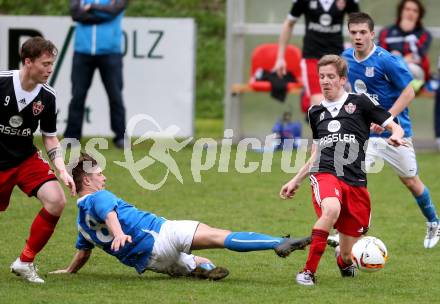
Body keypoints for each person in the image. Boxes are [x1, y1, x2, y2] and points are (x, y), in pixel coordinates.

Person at [50, 153, 311, 280]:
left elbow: (83, 252)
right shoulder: (98, 197)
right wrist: (118, 233)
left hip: (152, 261)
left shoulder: (82, 223)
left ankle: (202, 269)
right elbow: (108, 211)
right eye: (99, 174)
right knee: (221, 237)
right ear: (86, 179)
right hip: (160, 233)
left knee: (199, 260)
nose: (104, 177)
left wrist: (68, 271)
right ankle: (276, 242)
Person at [280, 54, 405, 286]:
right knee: (331, 210)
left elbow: (393, 126)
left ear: (342, 79)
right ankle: (307, 272)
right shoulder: (315, 112)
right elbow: (316, 152)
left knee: (348, 253)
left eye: (330, 77)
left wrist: (396, 135)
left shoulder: (360, 103)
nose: (325, 81)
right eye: (321, 77)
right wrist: (296, 179)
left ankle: (344, 262)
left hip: (355, 181)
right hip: (325, 172)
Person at [342, 12, 440, 249]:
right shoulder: (345, 57)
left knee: (411, 182)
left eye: (362, 32)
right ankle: (350, 231)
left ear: (372, 34)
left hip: (396, 133)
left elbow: (409, 92)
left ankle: (434, 222)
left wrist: (388, 120)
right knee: (351, 180)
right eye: (353, 32)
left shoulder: (387, 61)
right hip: (366, 135)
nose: (358, 37)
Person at [0, 37, 76, 283]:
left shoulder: (48, 97)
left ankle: (25, 261)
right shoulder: (1, 82)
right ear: (28, 61)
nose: (50, 69)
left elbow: (50, 138)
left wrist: (62, 170)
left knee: (56, 200)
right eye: (45, 63)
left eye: (52, 63)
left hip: (24, 159)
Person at [273, 0, 359, 111]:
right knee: (320, 103)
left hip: (337, 58)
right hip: (312, 58)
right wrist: (280, 58)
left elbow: (358, 26)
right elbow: (289, 23)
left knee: (342, 103)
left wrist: (358, 56)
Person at [64, 0, 128, 148]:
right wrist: (102, 15)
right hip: (82, 52)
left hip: (111, 53)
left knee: (115, 95)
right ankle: (72, 137)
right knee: (77, 96)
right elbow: (75, 14)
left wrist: (91, 8)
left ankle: (120, 137)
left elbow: (113, 11)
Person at [378, 0, 431, 92]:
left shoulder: (424, 34)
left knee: (410, 67)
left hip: (414, 73)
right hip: (390, 70)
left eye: (415, 11)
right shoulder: (386, 32)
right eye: (407, 9)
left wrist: (398, 58)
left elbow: (417, 57)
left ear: (419, 15)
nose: (411, 13)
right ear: (401, 11)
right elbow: (380, 56)